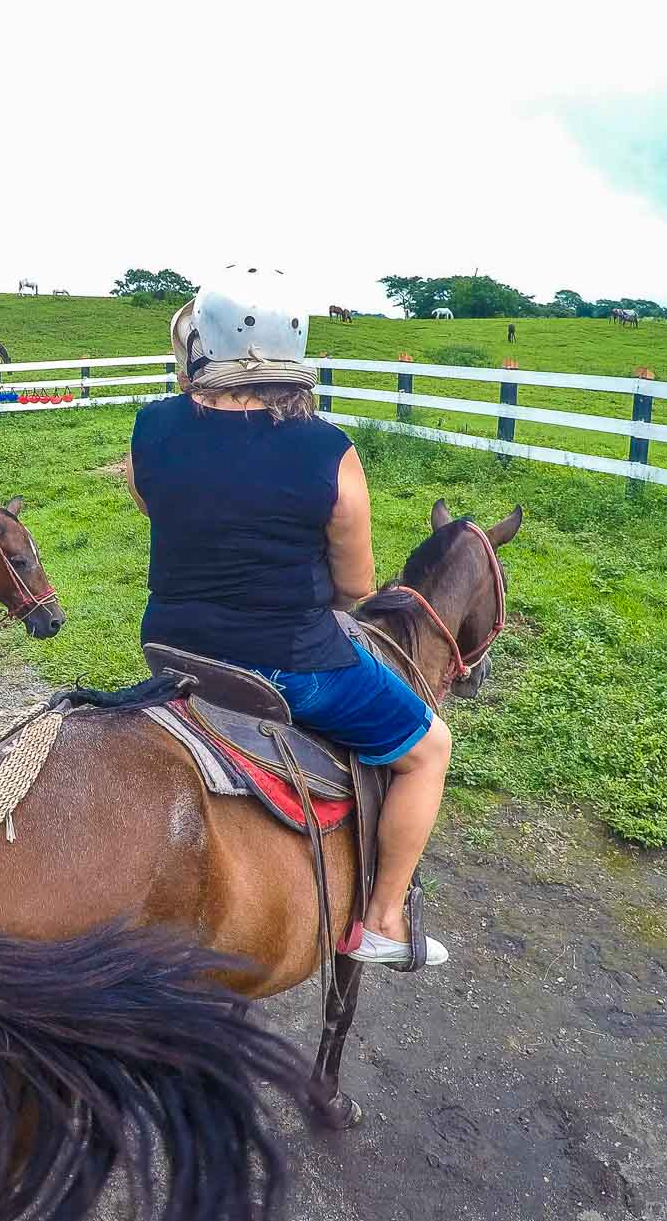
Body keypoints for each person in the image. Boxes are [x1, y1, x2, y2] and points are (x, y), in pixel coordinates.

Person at [128, 266, 453, 970]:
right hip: (284, 664)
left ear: (200, 348)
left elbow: (157, 509)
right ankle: (383, 920)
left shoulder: (150, 425)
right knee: (428, 749)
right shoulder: (326, 449)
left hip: (170, 646)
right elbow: (357, 584)